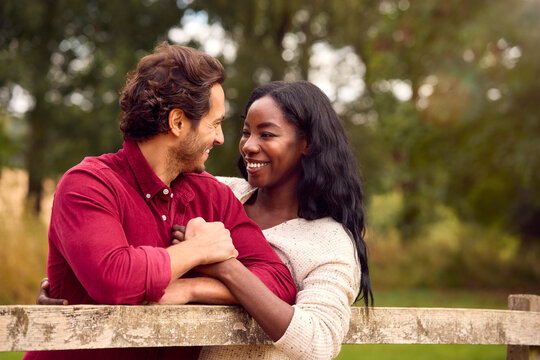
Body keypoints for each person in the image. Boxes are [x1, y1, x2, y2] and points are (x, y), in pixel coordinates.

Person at [38, 80, 372, 359]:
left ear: (307, 145)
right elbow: (122, 240)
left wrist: (208, 276)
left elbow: (317, 339)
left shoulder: (327, 241)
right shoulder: (219, 191)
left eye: (266, 135)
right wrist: (78, 283)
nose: (247, 145)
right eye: (246, 132)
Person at [25, 43, 296, 360]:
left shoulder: (213, 196)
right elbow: (115, 280)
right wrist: (198, 251)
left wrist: (195, 288)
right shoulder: (87, 185)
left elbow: (278, 283)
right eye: (214, 123)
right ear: (178, 122)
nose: (221, 138)